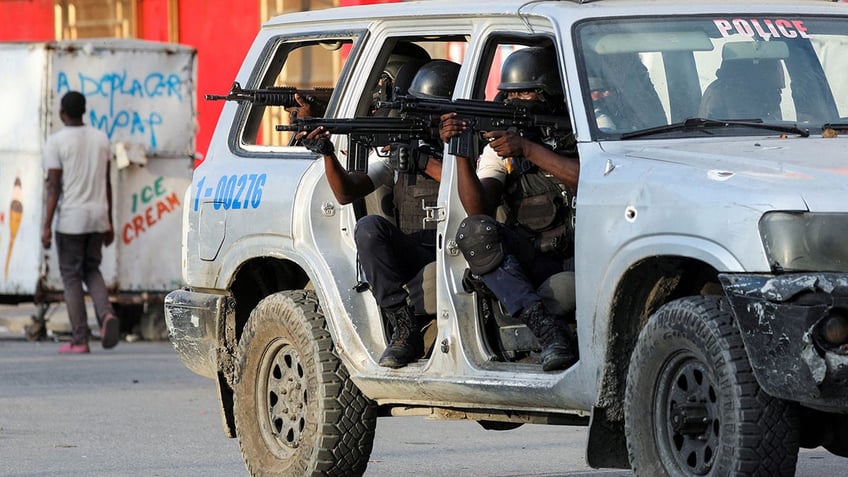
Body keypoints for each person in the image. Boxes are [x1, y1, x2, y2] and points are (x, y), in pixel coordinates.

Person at [299, 58, 461, 368]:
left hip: (463, 247)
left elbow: (475, 187)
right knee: (368, 228)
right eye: (419, 111)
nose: (426, 119)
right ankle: (403, 328)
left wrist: (426, 163)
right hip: (419, 250)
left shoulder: (477, 147)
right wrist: (328, 153)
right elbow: (346, 192)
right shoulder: (403, 153)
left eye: (432, 111)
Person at [439, 46, 579, 371]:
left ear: (550, 93)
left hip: (582, 258)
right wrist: (460, 151)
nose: (516, 99)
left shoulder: (578, 132)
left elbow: (585, 178)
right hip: (532, 258)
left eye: (526, 92)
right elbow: (478, 208)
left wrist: (528, 148)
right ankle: (547, 331)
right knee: (474, 232)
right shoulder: (502, 148)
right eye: (510, 93)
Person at [42, 91, 120, 354]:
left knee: (71, 276)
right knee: (92, 269)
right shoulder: (101, 139)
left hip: (71, 220)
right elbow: (107, 183)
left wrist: (45, 225)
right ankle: (106, 314)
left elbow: (53, 187)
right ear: (83, 111)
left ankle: (80, 339)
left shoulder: (56, 142)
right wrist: (109, 222)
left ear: (63, 113)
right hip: (98, 216)